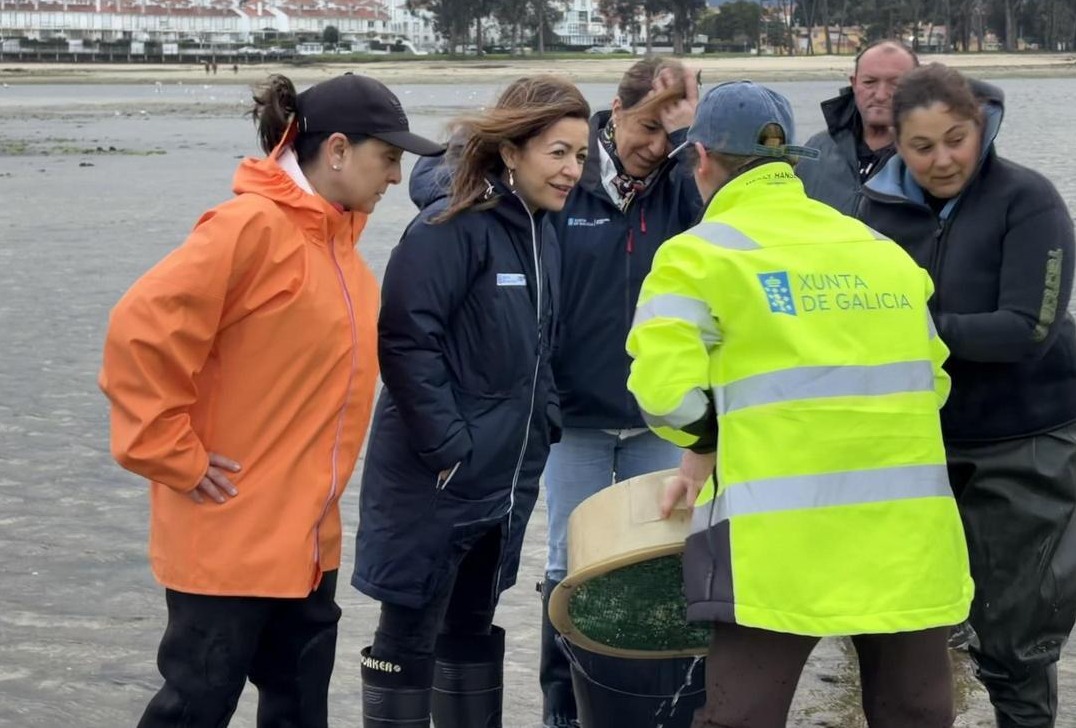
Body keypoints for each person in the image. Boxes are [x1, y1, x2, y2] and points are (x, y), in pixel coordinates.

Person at [98, 72, 443, 727]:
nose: (397, 178)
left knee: (298, 709)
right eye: (389, 157)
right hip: (228, 536)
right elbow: (138, 332)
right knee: (195, 707)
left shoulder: (342, 251)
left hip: (310, 543)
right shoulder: (249, 228)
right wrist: (174, 455)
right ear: (337, 150)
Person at [627, 80, 974, 728]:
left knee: (739, 719)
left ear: (701, 159)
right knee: (916, 717)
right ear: (791, 163)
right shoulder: (881, 253)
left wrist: (706, 443)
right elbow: (934, 383)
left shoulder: (697, 256)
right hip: (906, 540)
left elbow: (662, 395)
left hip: (776, 544)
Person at [352, 76, 591, 728]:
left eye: (580, 155)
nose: (573, 171)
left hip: (501, 481)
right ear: (511, 151)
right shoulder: (447, 225)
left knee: (471, 630)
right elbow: (404, 339)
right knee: (408, 638)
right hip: (436, 478)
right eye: (558, 153)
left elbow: (540, 348)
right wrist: (449, 447)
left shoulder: (540, 229)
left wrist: (541, 425)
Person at [857, 63, 1076, 728]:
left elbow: (1027, 329)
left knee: (1017, 624)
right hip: (922, 435)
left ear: (979, 127)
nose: (942, 160)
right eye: (921, 147)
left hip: (1028, 433)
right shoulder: (872, 212)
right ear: (895, 144)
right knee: (916, 612)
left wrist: (911, 333)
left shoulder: (1028, 200)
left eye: (955, 139)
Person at [539, 57, 703, 727]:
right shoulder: (566, 173)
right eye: (645, 128)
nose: (654, 148)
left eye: (673, 135)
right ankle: (561, 711)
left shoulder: (685, 183)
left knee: (656, 568)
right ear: (614, 108)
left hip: (657, 424)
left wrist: (690, 144)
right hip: (573, 418)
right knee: (569, 566)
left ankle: (650, 709)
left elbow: (726, 227)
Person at [794, 39, 919, 213]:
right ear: (854, 84)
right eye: (869, 82)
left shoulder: (930, 159)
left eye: (896, 84)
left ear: (917, 87)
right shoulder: (816, 151)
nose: (881, 95)